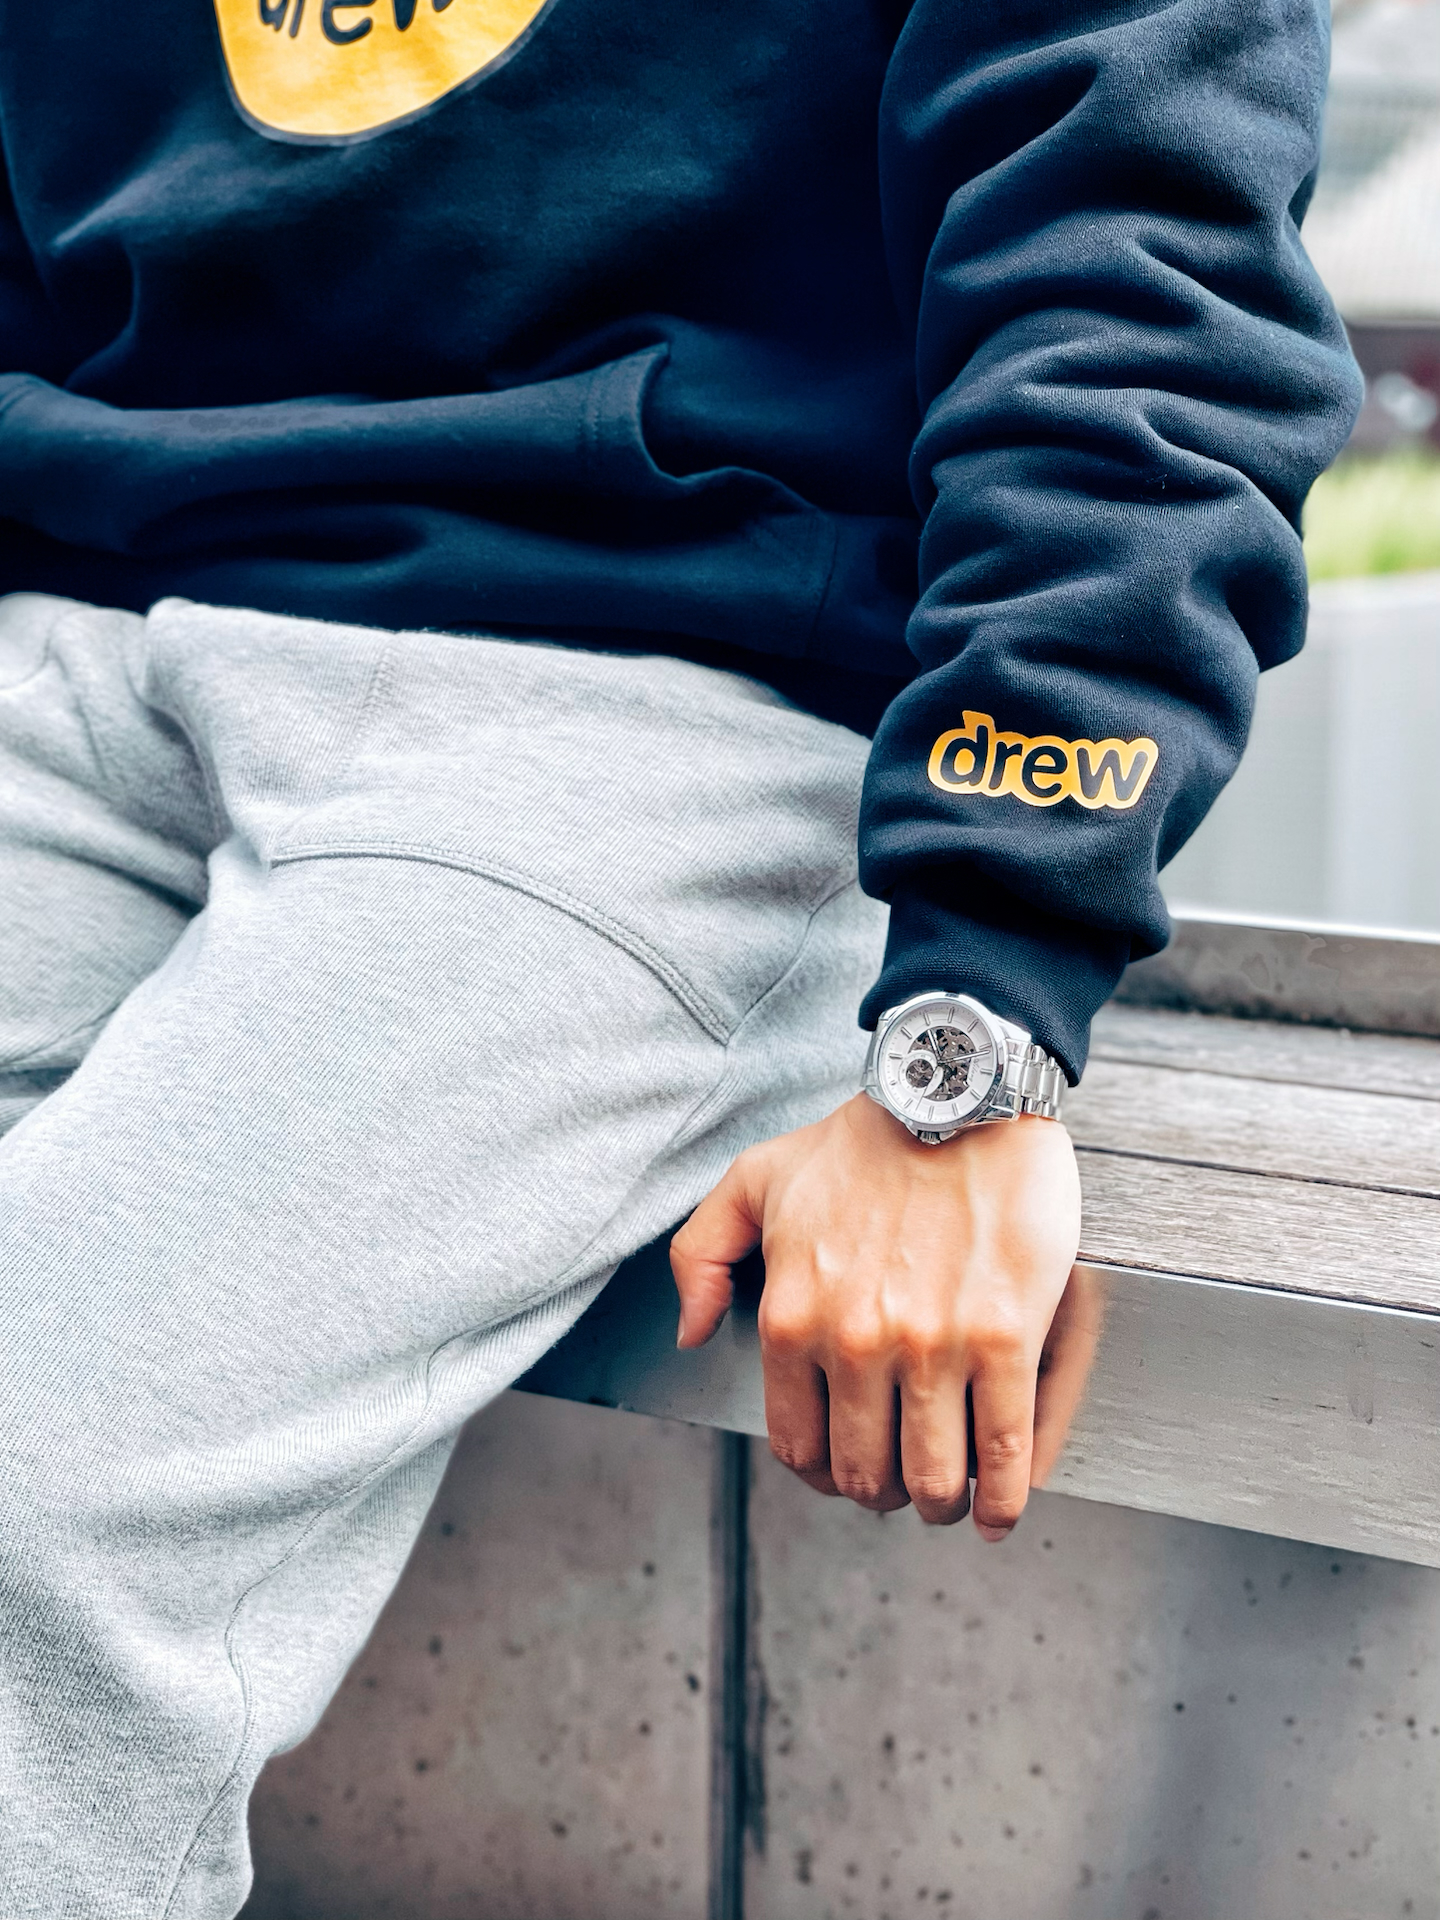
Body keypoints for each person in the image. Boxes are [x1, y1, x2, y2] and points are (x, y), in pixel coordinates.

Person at [0, 0, 1358, 1910]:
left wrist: (976, 1014)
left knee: (33, 1492)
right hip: (79, 613)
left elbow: (1138, 286)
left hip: (653, 675)